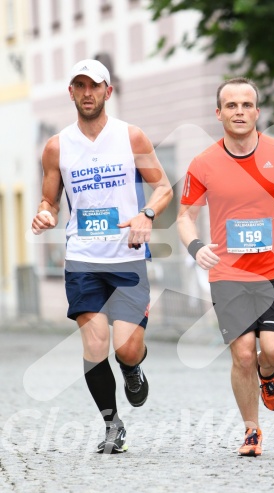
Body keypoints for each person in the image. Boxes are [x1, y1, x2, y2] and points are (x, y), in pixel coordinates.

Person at [31, 59, 173, 453]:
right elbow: (50, 198)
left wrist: (147, 214)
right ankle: (112, 425)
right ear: (71, 92)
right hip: (82, 259)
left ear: (108, 91)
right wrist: (45, 213)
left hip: (127, 257)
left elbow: (163, 188)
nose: (87, 92)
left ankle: (132, 368)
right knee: (94, 346)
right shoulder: (57, 146)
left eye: (94, 86)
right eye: (80, 85)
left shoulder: (132, 137)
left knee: (125, 346)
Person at [178, 77, 274, 457]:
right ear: (218, 113)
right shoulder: (204, 163)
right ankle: (251, 431)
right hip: (229, 274)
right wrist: (196, 247)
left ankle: (267, 374)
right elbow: (185, 216)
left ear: (257, 111)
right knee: (241, 354)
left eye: (246, 105)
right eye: (231, 105)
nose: (239, 111)